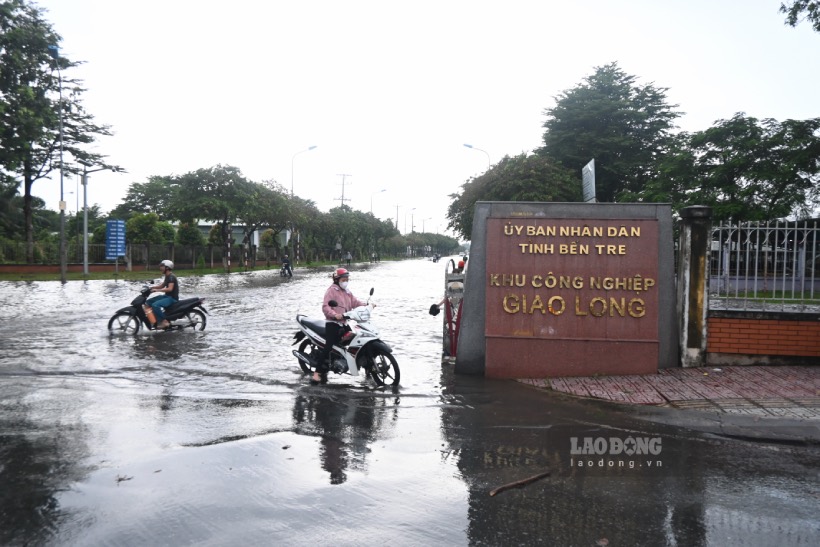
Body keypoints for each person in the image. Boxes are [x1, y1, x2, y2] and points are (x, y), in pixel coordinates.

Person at [311, 268, 367, 385]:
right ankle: (317, 373)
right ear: (337, 280)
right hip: (333, 324)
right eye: (343, 279)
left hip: (344, 323)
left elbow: (355, 302)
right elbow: (326, 307)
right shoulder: (331, 291)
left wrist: (366, 306)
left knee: (356, 340)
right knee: (328, 347)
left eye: (347, 279)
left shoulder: (347, 291)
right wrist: (334, 315)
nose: (345, 281)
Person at [150, 260, 179, 329]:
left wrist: (157, 290)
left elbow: (170, 289)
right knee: (149, 301)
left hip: (171, 298)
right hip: (167, 296)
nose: (160, 268)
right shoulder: (167, 276)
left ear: (167, 268)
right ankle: (154, 319)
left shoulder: (171, 277)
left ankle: (164, 321)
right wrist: (150, 288)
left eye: (162, 266)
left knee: (155, 305)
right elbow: (162, 286)